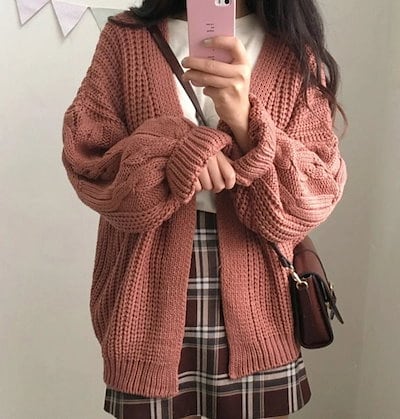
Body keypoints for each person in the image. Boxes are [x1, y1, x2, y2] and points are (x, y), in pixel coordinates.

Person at [61, 0, 347, 417]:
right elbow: (87, 160)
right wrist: (180, 150)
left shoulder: (293, 49)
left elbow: (315, 194)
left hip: (260, 306)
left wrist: (246, 120)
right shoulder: (127, 39)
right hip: (144, 304)